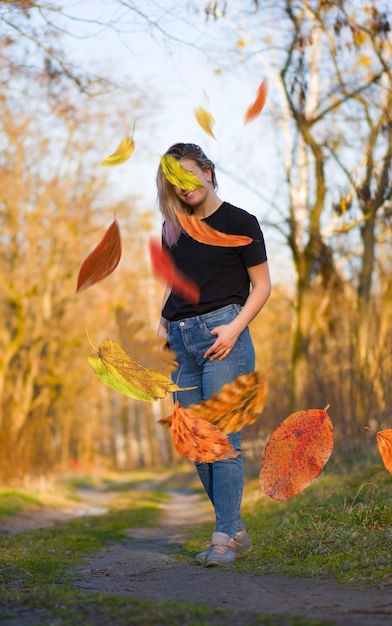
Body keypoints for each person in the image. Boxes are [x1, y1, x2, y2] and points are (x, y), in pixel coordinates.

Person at [156, 143, 271, 567]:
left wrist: (236, 327)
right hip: (180, 342)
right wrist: (162, 321)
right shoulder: (174, 229)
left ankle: (222, 539)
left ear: (208, 171)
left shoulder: (240, 222)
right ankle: (234, 526)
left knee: (222, 441)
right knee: (194, 442)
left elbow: (262, 285)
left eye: (189, 177)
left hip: (225, 335)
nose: (183, 188)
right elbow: (174, 285)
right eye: (174, 183)